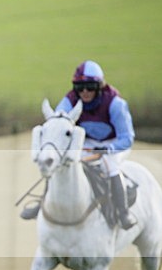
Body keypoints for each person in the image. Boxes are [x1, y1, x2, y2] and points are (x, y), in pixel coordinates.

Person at [21, 60, 137, 229]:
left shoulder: (115, 104)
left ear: (99, 86)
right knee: (59, 163)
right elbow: (58, 122)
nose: (84, 92)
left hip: (113, 144)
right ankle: (42, 204)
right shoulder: (70, 101)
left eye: (89, 87)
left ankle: (123, 212)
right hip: (88, 142)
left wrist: (108, 149)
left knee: (110, 166)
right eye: (79, 87)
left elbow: (127, 138)